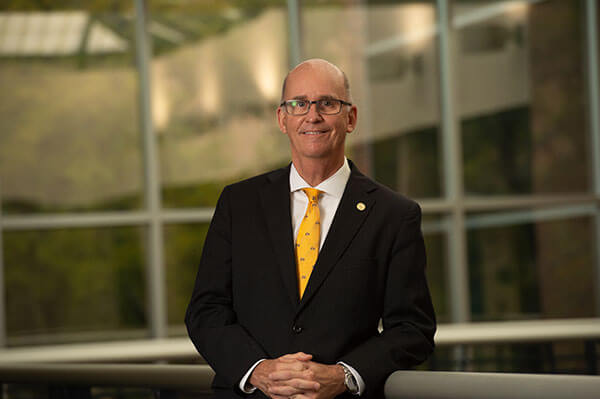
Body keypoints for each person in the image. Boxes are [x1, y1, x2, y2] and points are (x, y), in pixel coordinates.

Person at [185, 59, 436, 399]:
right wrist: (258, 370)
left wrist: (343, 376)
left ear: (351, 118)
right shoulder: (238, 204)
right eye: (299, 104)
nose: (312, 115)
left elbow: (412, 329)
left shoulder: (394, 214)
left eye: (328, 104)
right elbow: (206, 310)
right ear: (282, 119)